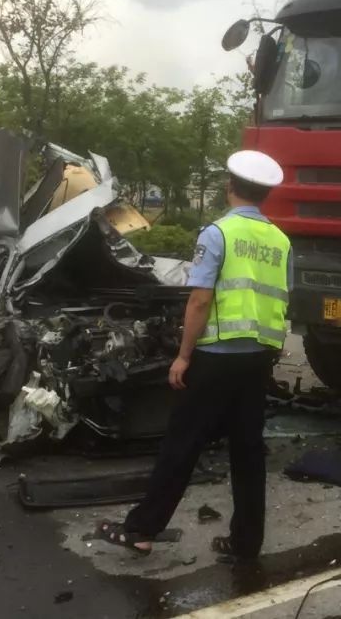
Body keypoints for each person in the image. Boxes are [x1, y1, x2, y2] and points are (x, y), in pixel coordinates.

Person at [100, 150, 291, 563]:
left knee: (181, 444)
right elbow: (280, 300)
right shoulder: (281, 240)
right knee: (247, 451)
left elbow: (201, 300)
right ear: (266, 195)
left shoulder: (217, 233)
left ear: (230, 187)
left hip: (216, 357)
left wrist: (183, 356)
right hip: (258, 358)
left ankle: (141, 531)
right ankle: (245, 544)